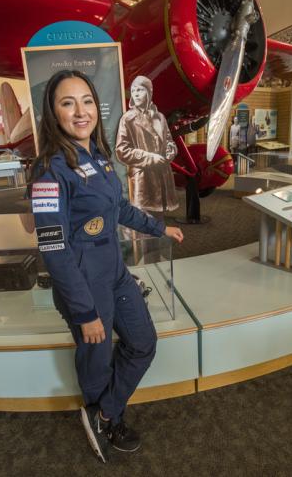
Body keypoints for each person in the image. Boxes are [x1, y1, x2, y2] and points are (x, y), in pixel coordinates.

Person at [30, 70, 183, 464]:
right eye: (68, 103)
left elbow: (120, 209)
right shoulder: (49, 171)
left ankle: (104, 412)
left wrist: (159, 226)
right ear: (53, 112)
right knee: (96, 362)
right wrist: (85, 311)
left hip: (115, 274)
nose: (81, 111)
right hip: (84, 286)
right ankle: (107, 421)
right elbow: (54, 249)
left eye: (87, 101)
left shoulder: (98, 157)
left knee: (143, 343)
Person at [115, 75, 178, 213]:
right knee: (142, 221)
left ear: (149, 92)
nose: (136, 94)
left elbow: (169, 140)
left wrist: (170, 150)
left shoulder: (160, 117)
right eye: (133, 90)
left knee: (160, 222)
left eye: (140, 90)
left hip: (163, 178)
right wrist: (150, 157)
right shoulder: (128, 119)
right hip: (143, 180)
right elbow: (121, 150)